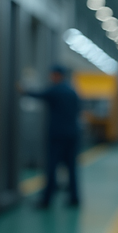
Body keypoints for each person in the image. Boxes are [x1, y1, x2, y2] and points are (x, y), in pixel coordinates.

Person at [23, 66, 82, 209]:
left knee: (51, 167)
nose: (51, 78)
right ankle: (74, 198)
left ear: (57, 75)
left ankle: (46, 200)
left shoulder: (56, 90)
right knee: (72, 168)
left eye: (52, 75)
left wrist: (22, 89)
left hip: (57, 136)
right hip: (73, 134)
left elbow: (38, 95)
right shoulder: (73, 92)